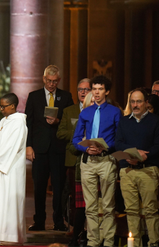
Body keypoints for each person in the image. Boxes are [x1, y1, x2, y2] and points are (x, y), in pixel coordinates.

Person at [72, 75, 121, 247]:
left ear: (106, 91)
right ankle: (93, 242)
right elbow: (76, 138)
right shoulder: (85, 112)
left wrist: (106, 147)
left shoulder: (115, 112)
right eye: (94, 89)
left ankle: (108, 242)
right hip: (88, 162)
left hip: (106, 160)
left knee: (108, 205)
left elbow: (119, 138)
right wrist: (86, 148)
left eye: (100, 89)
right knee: (90, 206)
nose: (96, 92)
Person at [25, 65, 74, 231]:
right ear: (44, 79)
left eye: (55, 81)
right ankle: (39, 221)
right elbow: (28, 124)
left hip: (59, 148)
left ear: (58, 81)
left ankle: (58, 221)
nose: (52, 84)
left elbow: (72, 121)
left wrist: (58, 121)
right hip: (39, 148)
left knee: (59, 186)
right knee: (39, 186)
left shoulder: (66, 97)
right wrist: (28, 146)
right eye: (49, 81)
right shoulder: (34, 97)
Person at [115, 88, 159, 247]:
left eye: (139, 101)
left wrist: (144, 155)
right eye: (132, 101)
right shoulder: (124, 121)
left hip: (148, 170)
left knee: (151, 211)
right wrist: (131, 154)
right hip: (128, 171)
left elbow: (157, 145)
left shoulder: (155, 121)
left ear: (146, 103)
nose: (135, 105)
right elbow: (117, 142)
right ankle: (135, 244)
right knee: (131, 211)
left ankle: (154, 243)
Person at [0, 93, 27, 245]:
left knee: (10, 201)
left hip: (11, 168)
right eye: (0, 106)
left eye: (4, 106)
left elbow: (12, 146)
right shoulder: (3, 121)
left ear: (13, 106)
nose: (1, 109)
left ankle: (12, 236)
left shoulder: (19, 122)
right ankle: (0, 234)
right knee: (0, 201)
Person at [56, 78, 91, 245]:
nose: (82, 92)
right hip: (73, 159)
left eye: (86, 89)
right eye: (80, 89)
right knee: (75, 200)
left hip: (92, 160)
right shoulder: (69, 111)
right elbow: (60, 133)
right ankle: (76, 230)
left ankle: (89, 231)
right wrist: (77, 135)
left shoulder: (97, 111)